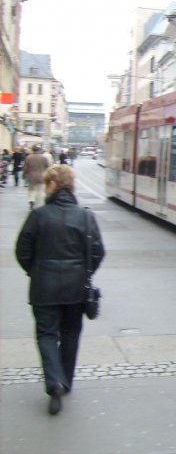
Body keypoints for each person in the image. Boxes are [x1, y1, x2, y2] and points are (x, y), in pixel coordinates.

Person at [15, 164, 105, 415]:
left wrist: (35, 271)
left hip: (43, 287)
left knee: (46, 335)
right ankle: (64, 381)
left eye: (47, 184)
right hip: (75, 288)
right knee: (70, 334)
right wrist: (84, 273)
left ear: (53, 186)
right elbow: (97, 252)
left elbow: (22, 251)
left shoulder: (38, 216)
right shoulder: (85, 216)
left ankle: (53, 381)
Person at [22, 145, 50, 210]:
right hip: (42, 176)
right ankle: (38, 205)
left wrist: (24, 174)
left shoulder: (29, 157)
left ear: (32, 150)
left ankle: (31, 200)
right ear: (40, 150)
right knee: (40, 191)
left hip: (31, 176)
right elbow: (48, 167)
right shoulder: (44, 158)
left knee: (31, 190)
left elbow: (25, 167)